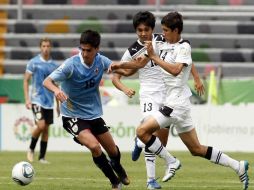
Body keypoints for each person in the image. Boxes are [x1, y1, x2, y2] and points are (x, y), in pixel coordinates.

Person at [140, 11, 248, 189]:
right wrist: (121, 66)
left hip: (176, 104)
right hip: (177, 102)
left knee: (142, 132)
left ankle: (172, 162)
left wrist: (154, 57)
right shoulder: (163, 42)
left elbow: (176, 69)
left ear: (176, 30)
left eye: (166, 30)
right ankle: (238, 166)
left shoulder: (184, 46)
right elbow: (188, 63)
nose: (163, 33)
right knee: (196, 149)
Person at [111, 11, 204, 189]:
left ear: (152, 29)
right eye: (139, 30)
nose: (143, 33)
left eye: (146, 29)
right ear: (135, 30)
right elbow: (120, 75)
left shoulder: (162, 40)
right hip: (148, 94)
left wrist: (197, 78)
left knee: (158, 143)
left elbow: (184, 60)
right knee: (149, 134)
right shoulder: (131, 50)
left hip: (167, 94)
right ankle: (150, 180)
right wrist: (124, 86)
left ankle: (142, 145)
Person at [43, 30, 131, 190]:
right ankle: (114, 181)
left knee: (112, 150)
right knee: (95, 147)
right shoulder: (71, 64)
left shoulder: (101, 61)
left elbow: (121, 70)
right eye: (81, 49)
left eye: (88, 50)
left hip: (93, 114)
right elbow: (47, 81)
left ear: (97, 49)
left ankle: (117, 167)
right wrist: (56, 91)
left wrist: (135, 66)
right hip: (72, 115)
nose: (84, 53)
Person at [23, 37, 59, 164]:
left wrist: (58, 104)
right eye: (43, 46)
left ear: (51, 48)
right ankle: (31, 148)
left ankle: (42, 157)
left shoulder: (54, 65)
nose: (46, 48)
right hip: (36, 100)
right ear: (40, 47)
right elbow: (26, 80)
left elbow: (55, 85)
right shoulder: (33, 62)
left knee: (46, 129)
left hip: (49, 102)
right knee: (41, 125)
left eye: (48, 46)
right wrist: (27, 99)